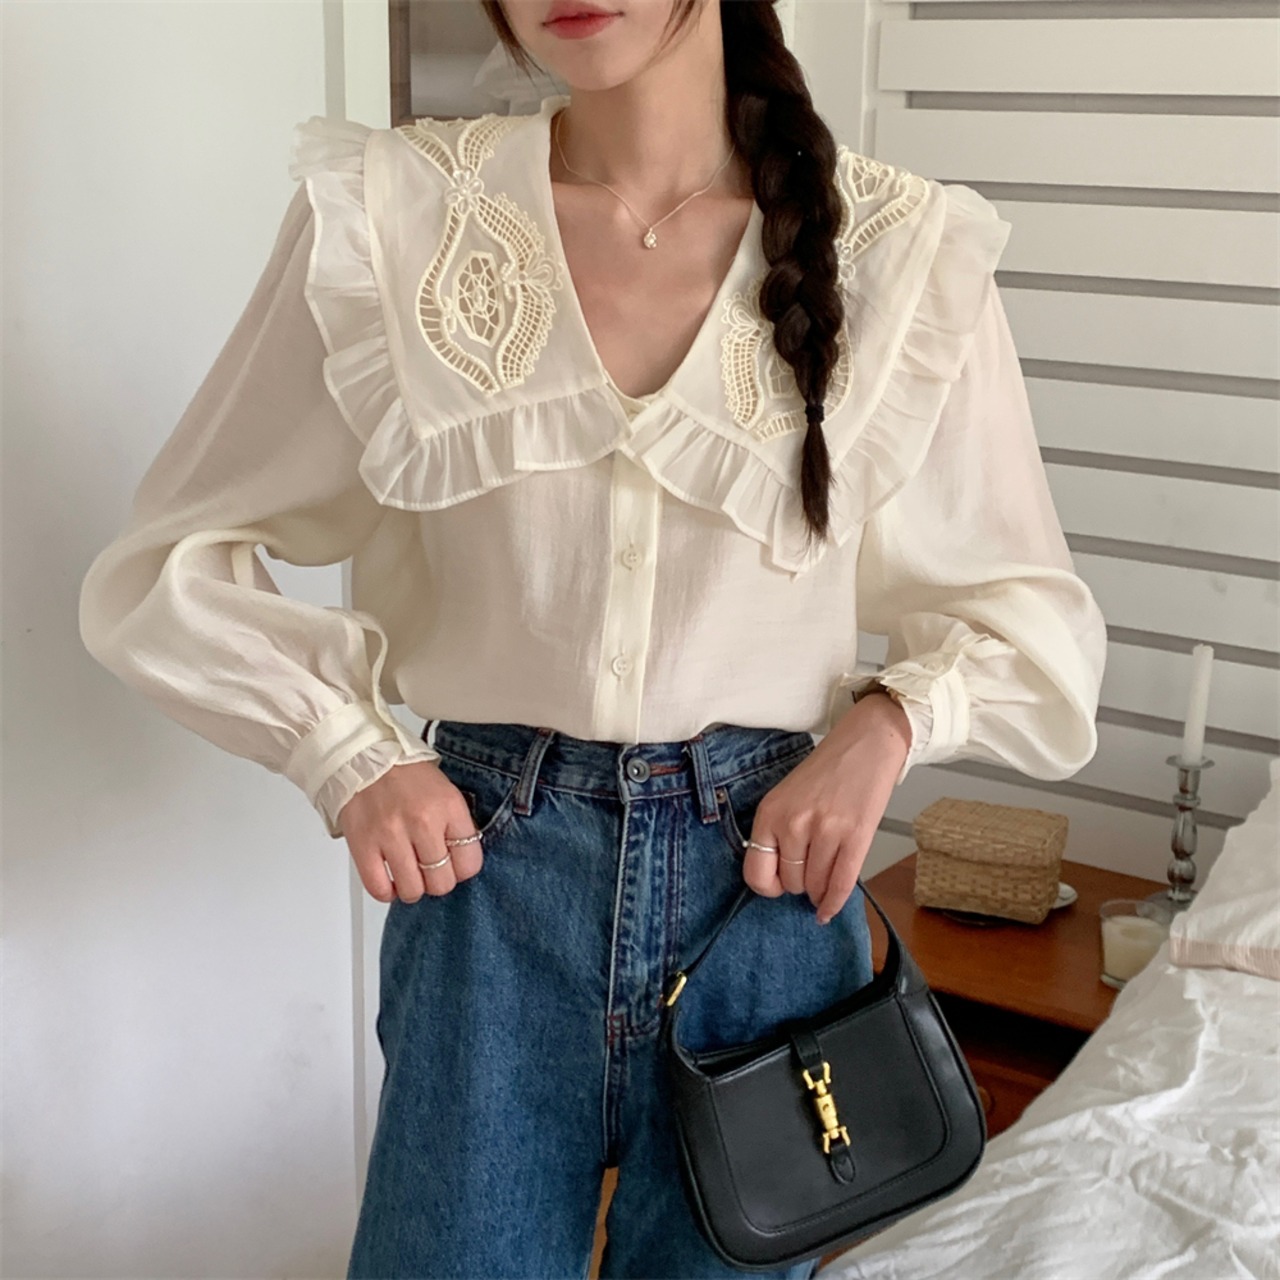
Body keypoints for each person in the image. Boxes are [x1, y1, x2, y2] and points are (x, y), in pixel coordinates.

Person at [78, 0, 1108, 1276]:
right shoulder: (397, 215)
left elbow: (1030, 622)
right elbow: (167, 564)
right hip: (484, 890)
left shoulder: (899, 251)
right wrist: (343, 749)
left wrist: (886, 725)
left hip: (765, 898)